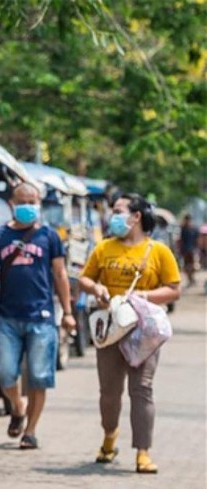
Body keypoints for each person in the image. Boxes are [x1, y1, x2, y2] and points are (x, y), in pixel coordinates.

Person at [78, 193, 180, 473]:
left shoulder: (158, 251)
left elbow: (174, 288)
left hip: (144, 331)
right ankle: (110, 436)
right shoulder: (103, 249)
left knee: (142, 389)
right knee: (109, 393)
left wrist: (145, 296)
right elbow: (85, 278)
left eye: (119, 210)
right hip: (111, 329)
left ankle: (143, 452)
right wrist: (97, 289)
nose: (114, 215)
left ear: (136, 217)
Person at [0, 182, 75, 450]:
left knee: (39, 376)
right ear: (12, 204)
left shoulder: (49, 236)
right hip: (8, 317)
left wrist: (68, 312)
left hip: (42, 317)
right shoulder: (0, 236)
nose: (29, 206)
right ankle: (18, 406)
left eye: (33, 202)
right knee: (6, 374)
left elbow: (60, 274)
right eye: (24, 201)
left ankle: (30, 431)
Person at [177, 214, 198, 288]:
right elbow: (181, 240)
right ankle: (190, 278)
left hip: (192, 250)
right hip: (185, 250)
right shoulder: (183, 229)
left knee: (193, 265)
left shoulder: (194, 229)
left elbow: (196, 240)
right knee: (186, 266)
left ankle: (191, 277)